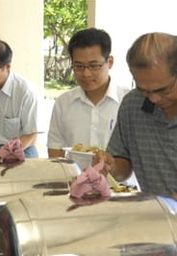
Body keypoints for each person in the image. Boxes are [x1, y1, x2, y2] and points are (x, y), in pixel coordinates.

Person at [97, 32, 177, 195]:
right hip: (157, 214)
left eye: (163, 90)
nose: (153, 99)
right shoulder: (133, 104)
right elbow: (123, 165)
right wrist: (111, 166)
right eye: (144, 90)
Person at [47, 28, 128, 158]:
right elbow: (55, 149)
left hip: (116, 178)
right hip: (74, 177)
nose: (86, 74)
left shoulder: (127, 101)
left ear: (110, 62)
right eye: (78, 66)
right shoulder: (63, 103)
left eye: (94, 66)